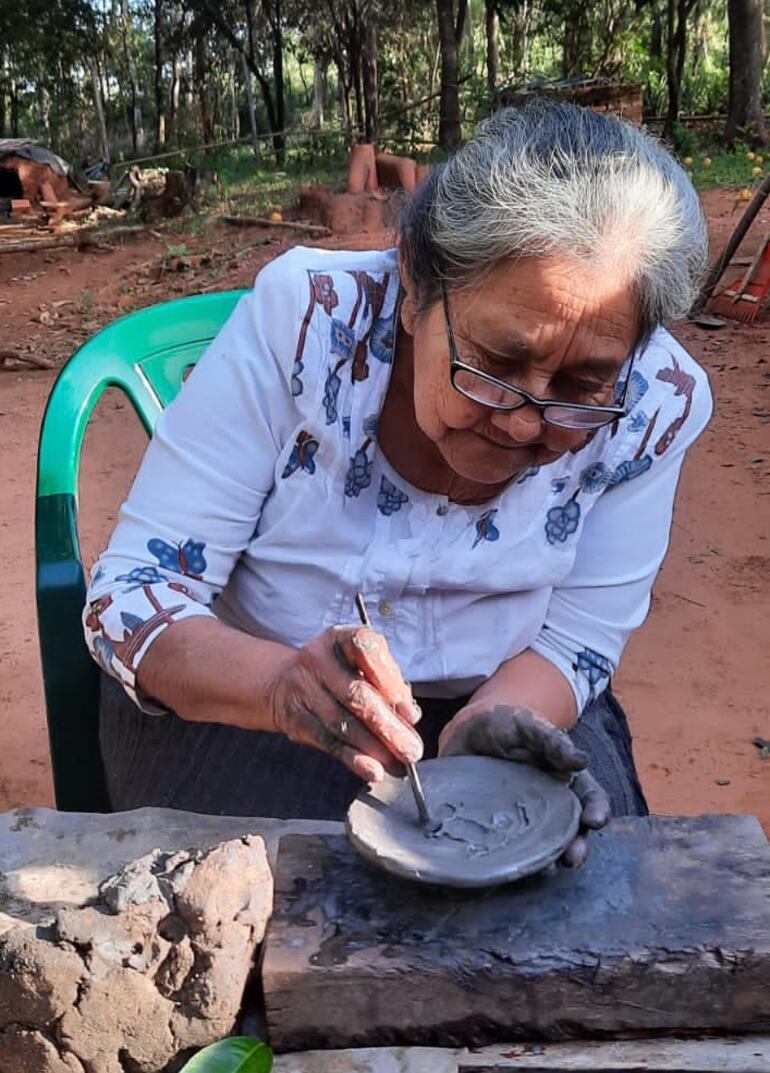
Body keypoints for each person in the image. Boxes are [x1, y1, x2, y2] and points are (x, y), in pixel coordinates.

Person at [83, 102, 711, 865]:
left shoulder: (654, 404)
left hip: (516, 698)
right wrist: (284, 686)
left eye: (581, 382)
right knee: (294, 918)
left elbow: (578, 638)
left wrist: (492, 723)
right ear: (415, 286)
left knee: (581, 917)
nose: (522, 422)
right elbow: (132, 599)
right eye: (496, 363)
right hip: (241, 698)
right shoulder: (306, 325)